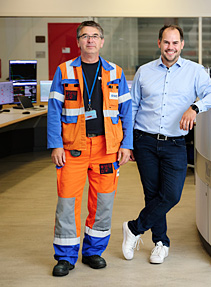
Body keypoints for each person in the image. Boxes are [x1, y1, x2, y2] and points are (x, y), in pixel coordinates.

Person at [122, 24, 211, 264]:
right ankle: (161, 242)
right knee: (152, 194)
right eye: (166, 42)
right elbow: (133, 107)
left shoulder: (194, 71)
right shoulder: (144, 72)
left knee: (171, 195)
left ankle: (134, 228)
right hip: (144, 140)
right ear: (159, 44)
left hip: (175, 143)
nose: (171, 47)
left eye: (175, 43)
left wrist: (195, 107)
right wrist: (128, 143)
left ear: (182, 45)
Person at [48, 21, 133, 277]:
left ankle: (93, 252)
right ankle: (65, 257)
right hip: (73, 147)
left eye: (95, 36)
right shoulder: (64, 71)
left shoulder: (115, 72)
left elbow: (126, 112)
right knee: (67, 202)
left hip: (107, 148)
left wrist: (127, 144)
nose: (90, 40)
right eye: (85, 36)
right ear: (78, 42)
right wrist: (55, 144)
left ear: (102, 41)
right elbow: (53, 111)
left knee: (103, 202)